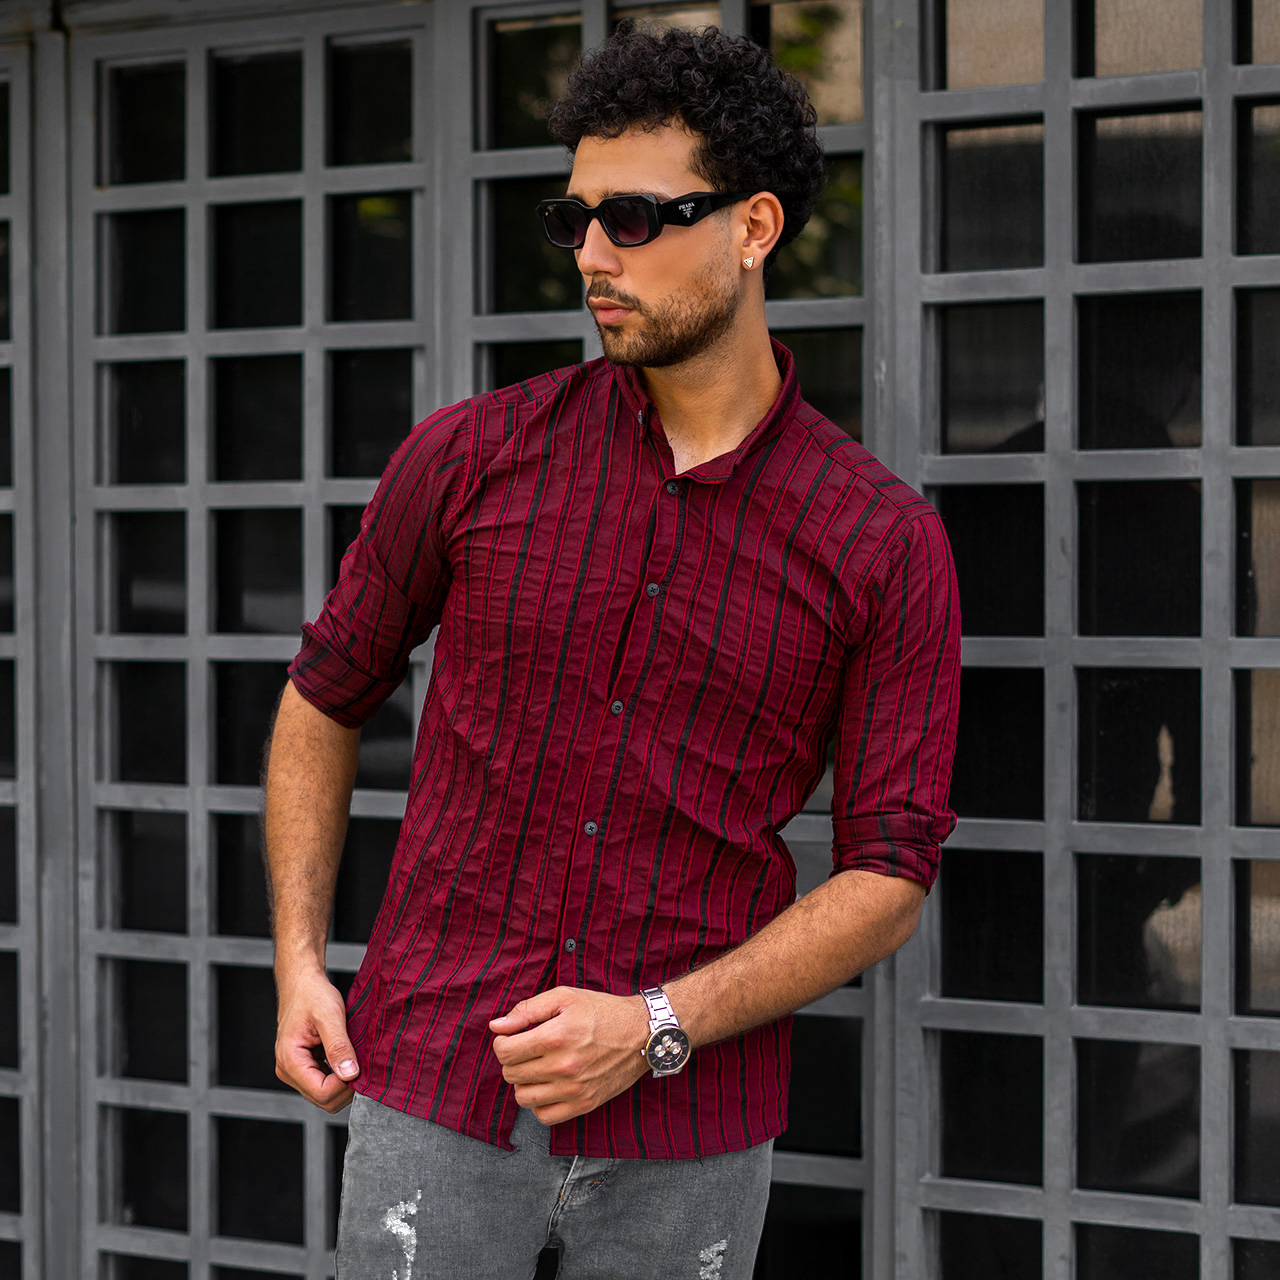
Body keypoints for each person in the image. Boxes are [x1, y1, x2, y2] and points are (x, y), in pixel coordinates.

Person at [265, 21, 960, 1280]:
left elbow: (889, 868)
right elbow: (324, 692)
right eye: (574, 218)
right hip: (438, 1077)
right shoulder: (469, 457)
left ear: (752, 227)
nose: (591, 254)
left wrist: (654, 1023)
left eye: (633, 217)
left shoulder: (879, 539)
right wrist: (300, 962)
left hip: (690, 1128)